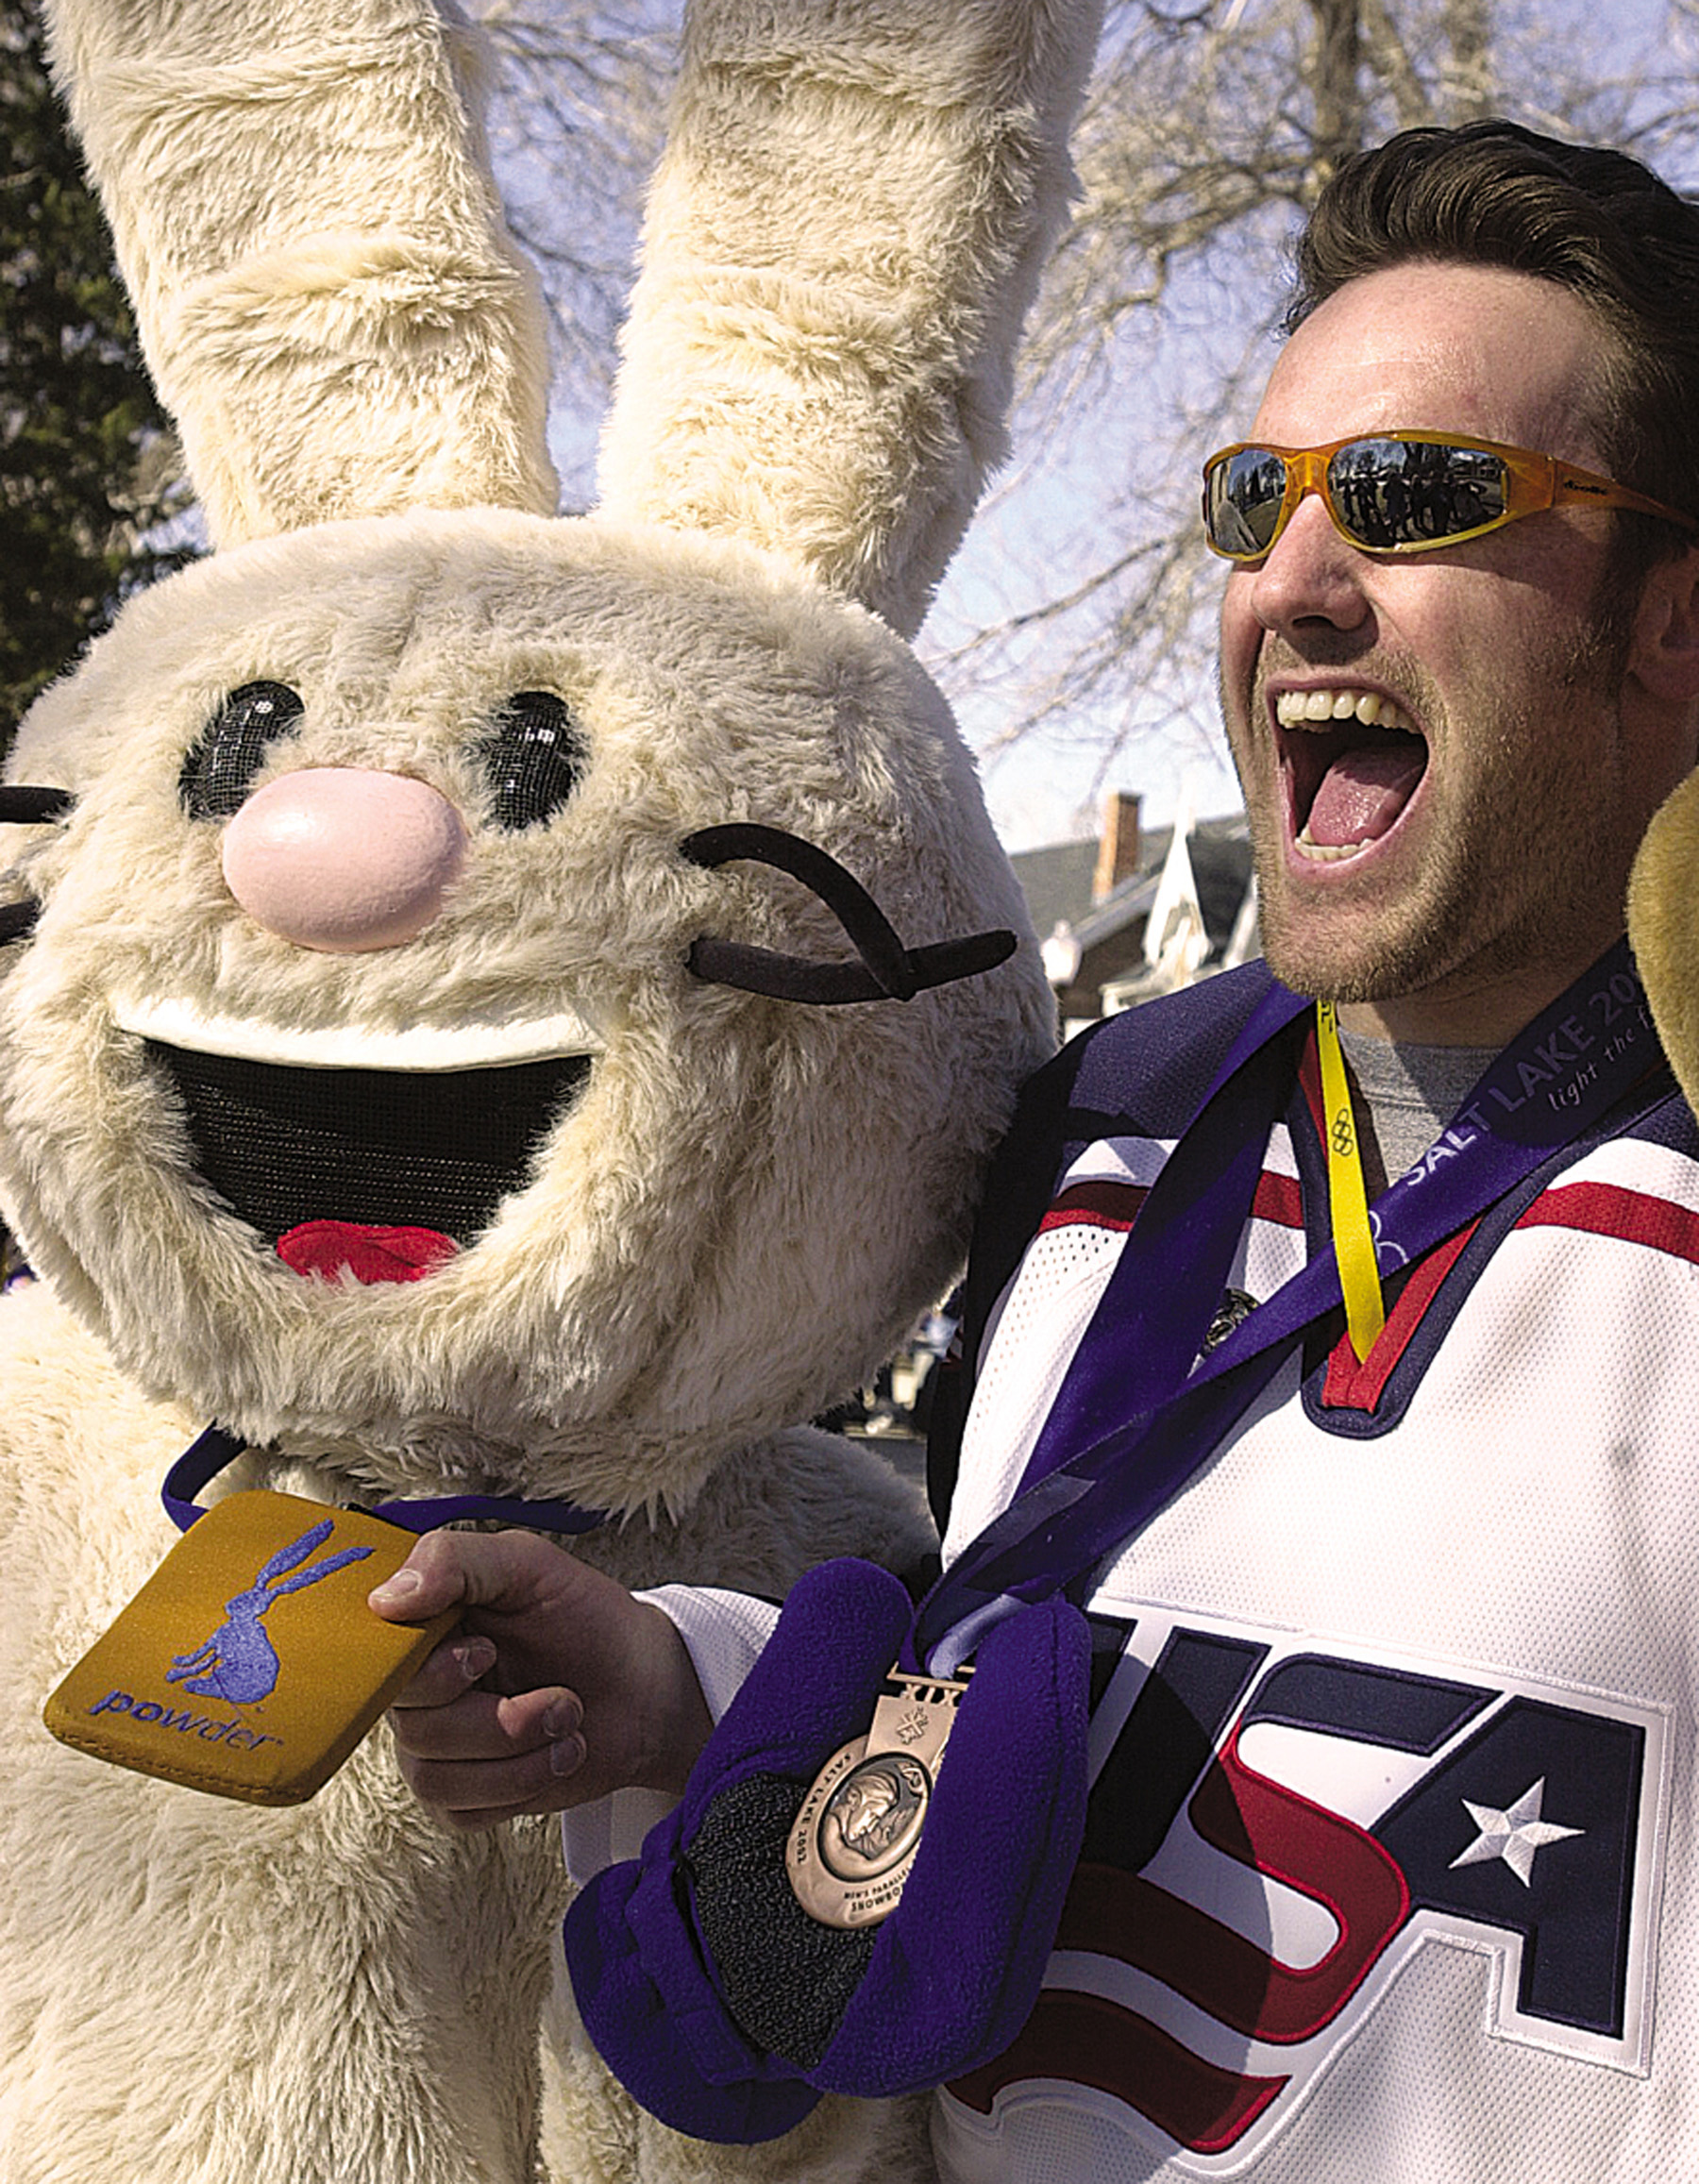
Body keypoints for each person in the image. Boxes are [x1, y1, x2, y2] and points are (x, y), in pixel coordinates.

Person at [370, 119, 1699, 2178]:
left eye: (1423, 498)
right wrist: (682, 1681)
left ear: (1672, 622)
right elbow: (1076, 1655)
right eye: (1259, 500)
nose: (1301, 582)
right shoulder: (1105, 1113)